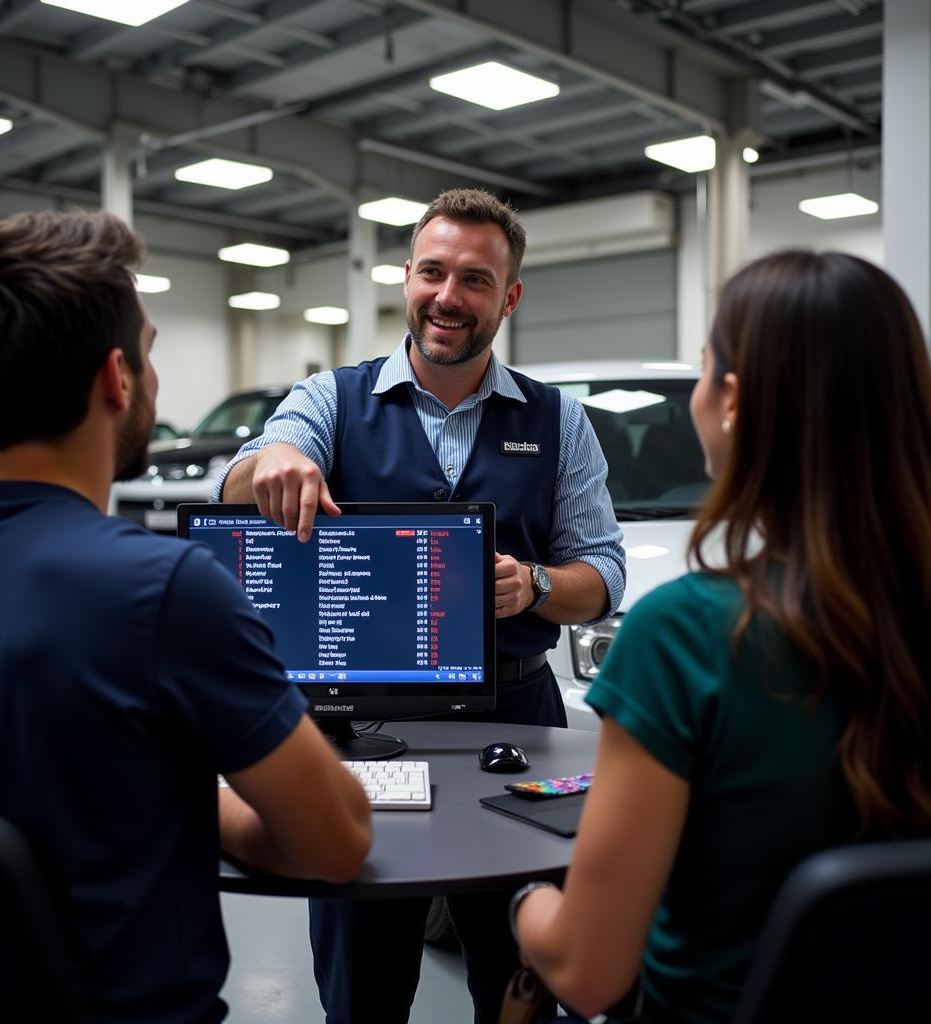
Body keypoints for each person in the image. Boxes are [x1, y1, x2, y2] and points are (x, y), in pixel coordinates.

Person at [0, 210, 372, 1024]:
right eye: (152, 351)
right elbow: (335, 842)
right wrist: (207, 795)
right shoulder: (164, 591)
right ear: (118, 378)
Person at [215, 187, 627, 1024]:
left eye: (475, 281)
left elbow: (606, 571)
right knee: (361, 983)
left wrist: (539, 586)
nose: (449, 296)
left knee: (518, 986)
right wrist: (277, 462)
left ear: (508, 298)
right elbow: (244, 473)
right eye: (432, 272)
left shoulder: (558, 421)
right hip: (352, 721)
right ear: (405, 277)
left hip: (515, 722)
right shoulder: (333, 397)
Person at [510, 250, 931, 1024]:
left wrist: (528, 901)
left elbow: (589, 971)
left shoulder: (685, 634)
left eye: (705, 371)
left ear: (731, 400)